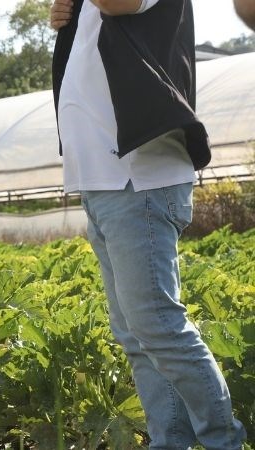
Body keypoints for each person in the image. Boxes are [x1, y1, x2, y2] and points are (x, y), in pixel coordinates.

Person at [50, 0, 246, 448]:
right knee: (137, 334)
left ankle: (223, 441)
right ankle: (170, 443)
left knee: (157, 325)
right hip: (102, 183)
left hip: (139, 178)